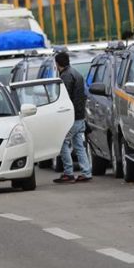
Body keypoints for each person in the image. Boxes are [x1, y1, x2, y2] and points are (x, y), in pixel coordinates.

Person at [53, 52, 91, 184]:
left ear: (57, 64)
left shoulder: (66, 76)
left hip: (72, 117)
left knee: (63, 143)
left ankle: (68, 173)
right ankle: (86, 172)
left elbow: (65, 98)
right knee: (79, 145)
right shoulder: (76, 73)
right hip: (80, 116)